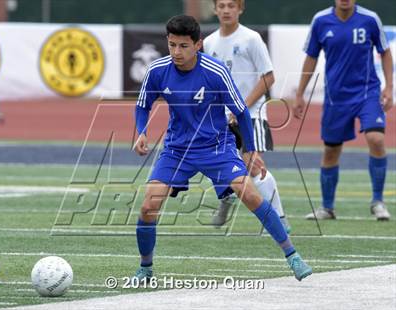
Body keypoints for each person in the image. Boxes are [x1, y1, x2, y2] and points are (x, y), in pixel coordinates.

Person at [133, 14, 312, 282]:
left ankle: (293, 255)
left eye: (183, 46)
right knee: (148, 206)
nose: (176, 52)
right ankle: (145, 267)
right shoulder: (158, 70)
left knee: (249, 194)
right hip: (176, 149)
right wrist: (141, 132)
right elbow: (142, 104)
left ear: (198, 45)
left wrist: (249, 150)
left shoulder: (215, 71)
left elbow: (240, 112)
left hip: (216, 147)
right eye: (171, 45)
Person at [294, 0, 393, 220]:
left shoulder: (370, 19)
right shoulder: (320, 21)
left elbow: (385, 52)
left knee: (376, 139)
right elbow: (311, 57)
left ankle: (378, 201)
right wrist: (300, 93)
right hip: (336, 97)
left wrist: (389, 86)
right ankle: (327, 208)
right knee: (331, 151)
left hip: (367, 92)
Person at [203, 0, 290, 232]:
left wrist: (240, 106)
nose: (226, 10)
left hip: (251, 114)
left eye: (231, 5)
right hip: (221, 118)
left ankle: (279, 218)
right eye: (221, 6)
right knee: (218, 165)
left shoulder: (251, 39)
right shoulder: (209, 42)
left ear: (240, 9)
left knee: (254, 165)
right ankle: (227, 197)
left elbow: (268, 77)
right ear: (214, 9)